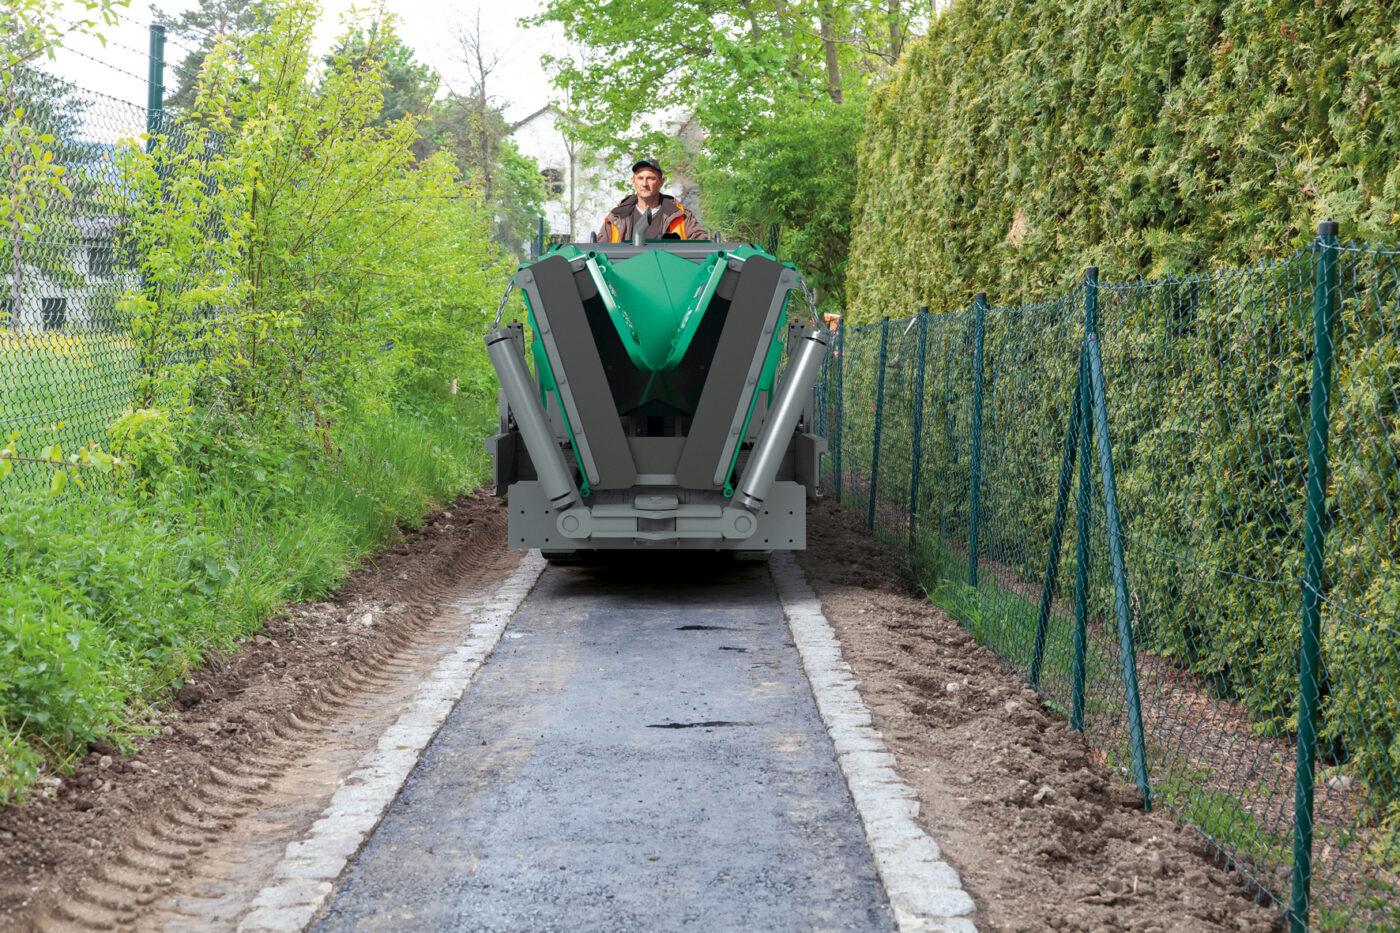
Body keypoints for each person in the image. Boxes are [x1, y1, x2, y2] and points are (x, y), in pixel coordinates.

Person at [595, 157, 709, 243]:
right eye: (640, 178)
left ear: (661, 182)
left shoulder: (681, 215)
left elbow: (702, 245)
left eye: (650, 178)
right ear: (633, 182)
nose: (644, 184)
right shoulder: (616, 216)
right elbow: (598, 253)